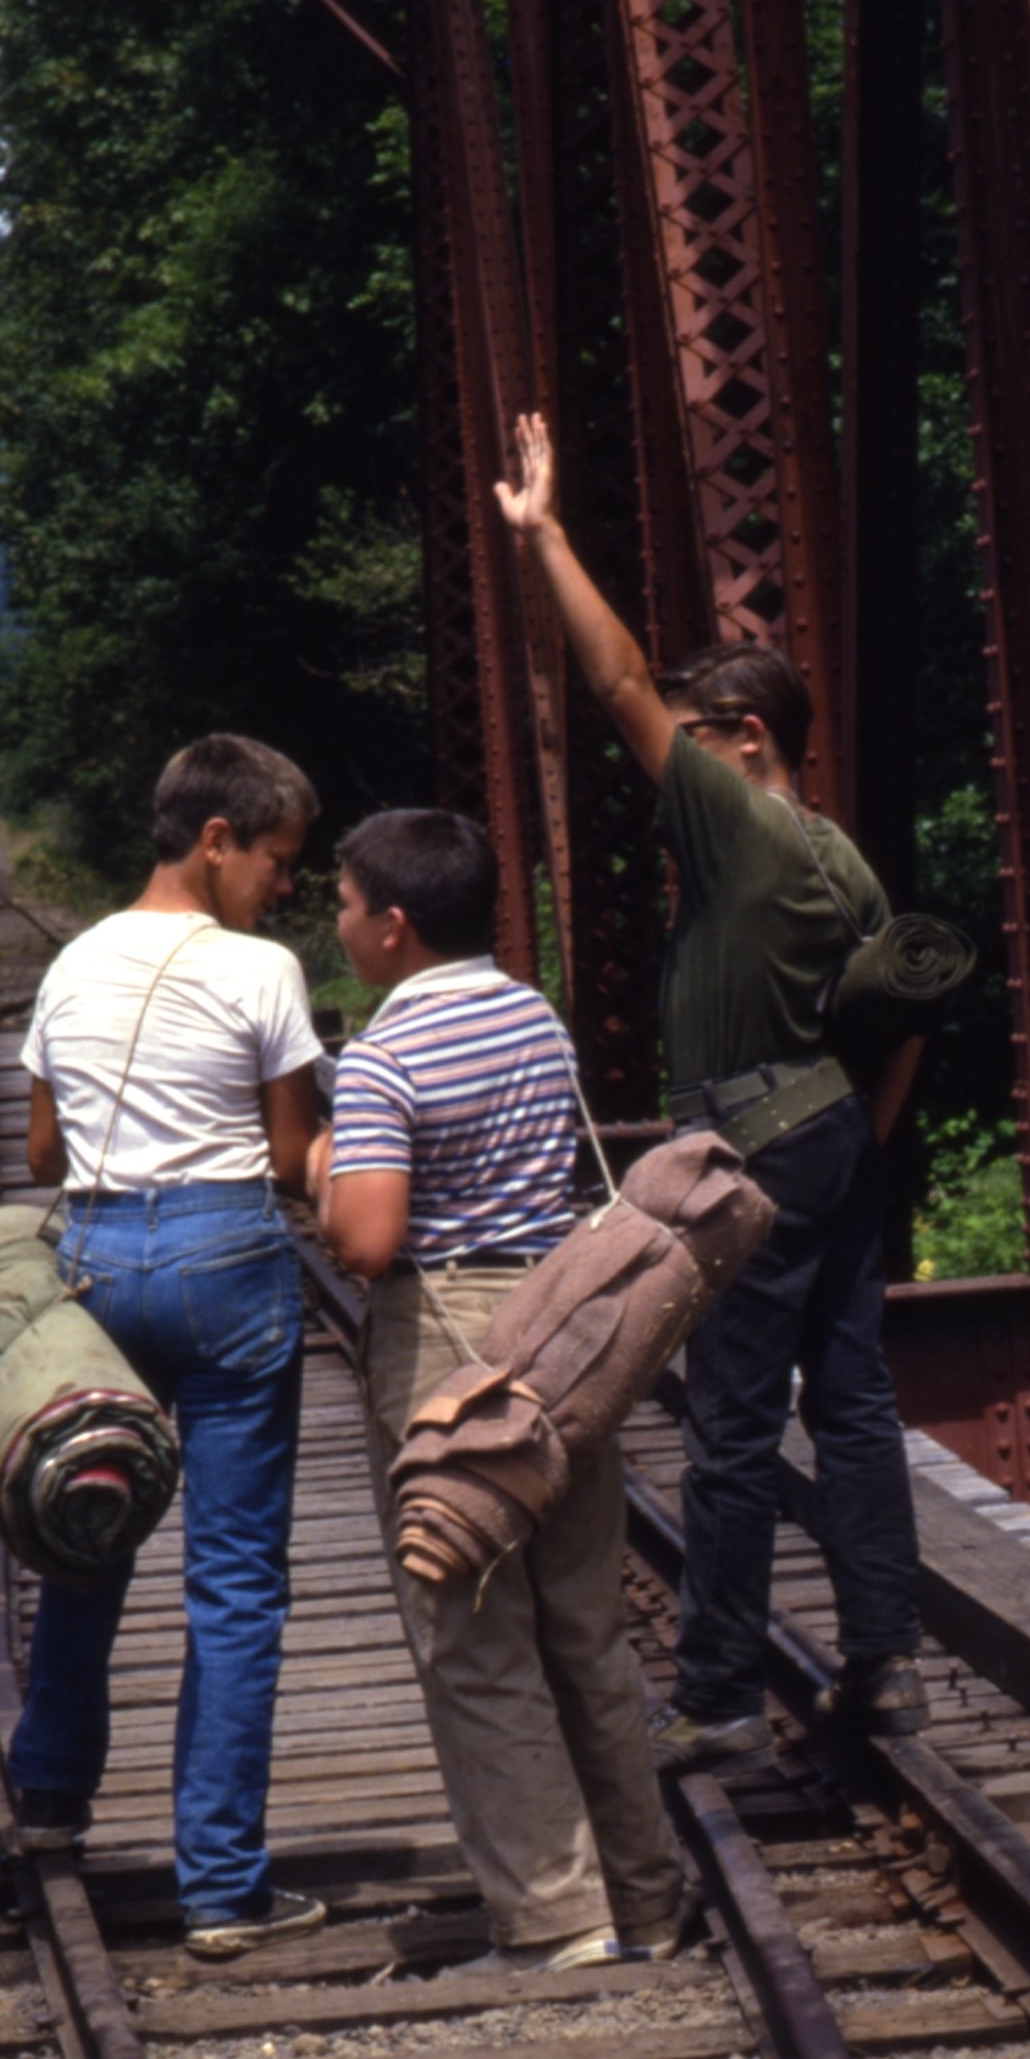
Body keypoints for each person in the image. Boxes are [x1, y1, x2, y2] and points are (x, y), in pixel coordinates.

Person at [496, 412, 930, 1765]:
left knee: (735, 1425)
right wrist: (855, 1140)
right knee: (851, 1403)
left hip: (750, 1147)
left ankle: (721, 1694)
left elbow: (621, 683)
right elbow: (907, 1020)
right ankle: (883, 1664)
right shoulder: (842, 858)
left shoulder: (744, 829)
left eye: (691, 742)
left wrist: (546, 534)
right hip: (831, 1145)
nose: (665, 766)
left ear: (742, 739)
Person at [309, 808, 696, 1973]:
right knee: (584, 1622)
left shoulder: (382, 1056)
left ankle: (552, 1913)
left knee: (472, 1630)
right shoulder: (533, 1015)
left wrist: (327, 1166)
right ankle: (645, 1899)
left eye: (341, 904)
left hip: (452, 1342)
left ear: (393, 924)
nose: (333, 922)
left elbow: (369, 1243)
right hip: (566, 1331)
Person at [10, 734, 330, 1959]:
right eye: (276, 860)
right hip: (225, 1259)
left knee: (85, 1533)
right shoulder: (261, 970)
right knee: (235, 1580)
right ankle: (219, 1886)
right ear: (215, 842)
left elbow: (44, 1157)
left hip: (96, 1261)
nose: (284, 886)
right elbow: (293, 1150)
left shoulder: (73, 963)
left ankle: (50, 1803)